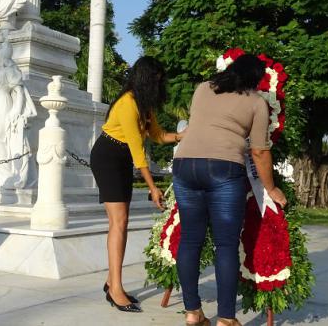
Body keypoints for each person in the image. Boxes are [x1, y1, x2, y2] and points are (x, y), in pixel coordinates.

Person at [173, 54, 287, 326]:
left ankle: (193, 313)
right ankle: (226, 318)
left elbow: (199, 126)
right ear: (256, 79)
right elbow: (259, 150)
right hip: (223, 170)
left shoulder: (202, 88)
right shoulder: (256, 103)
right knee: (225, 245)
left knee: (190, 240)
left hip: (184, 166)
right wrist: (271, 188)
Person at [90, 56, 184, 313]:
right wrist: (153, 188)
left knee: (121, 222)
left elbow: (157, 135)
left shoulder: (144, 106)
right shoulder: (128, 104)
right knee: (118, 223)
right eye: (156, 80)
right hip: (108, 157)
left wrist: (181, 135)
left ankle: (112, 281)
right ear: (145, 79)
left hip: (121, 158)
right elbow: (137, 151)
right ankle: (115, 289)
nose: (159, 85)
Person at [0, 30, 36, 192]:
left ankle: (4, 173)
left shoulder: (11, 70)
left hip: (4, 102)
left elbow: (19, 92)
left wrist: (16, 111)